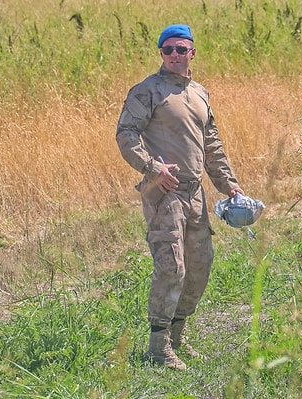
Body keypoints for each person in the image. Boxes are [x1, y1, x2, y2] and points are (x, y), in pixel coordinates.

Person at [116, 23, 245, 370]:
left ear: (192, 53)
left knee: (199, 267)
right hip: (164, 192)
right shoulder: (147, 91)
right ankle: (157, 349)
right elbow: (126, 134)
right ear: (161, 54)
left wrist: (229, 185)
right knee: (171, 266)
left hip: (196, 194)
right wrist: (153, 167)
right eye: (167, 49)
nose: (174, 55)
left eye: (180, 49)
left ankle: (177, 338)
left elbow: (212, 144)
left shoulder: (200, 93)